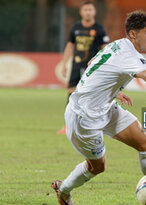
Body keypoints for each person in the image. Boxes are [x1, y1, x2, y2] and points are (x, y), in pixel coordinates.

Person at [51, 10, 146, 205]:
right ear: (133, 34)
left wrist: (112, 92)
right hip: (84, 117)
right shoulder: (127, 53)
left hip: (106, 108)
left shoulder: (117, 45)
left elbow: (93, 64)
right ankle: (64, 189)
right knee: (97, 167)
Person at [57, 1, 109, 134]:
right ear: (81, 12)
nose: (88, 12)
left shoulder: (99, 29)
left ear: (94, 12)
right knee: (71, 93)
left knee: (94, 95)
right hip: (76, 66)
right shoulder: (75, 28)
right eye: (85, 10)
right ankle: (68, 125)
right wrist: (64, 64)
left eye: (90, 10)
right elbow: (70, 46)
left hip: (92, 68)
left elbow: (105, 49)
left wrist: (105, 66)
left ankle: (96, 124)